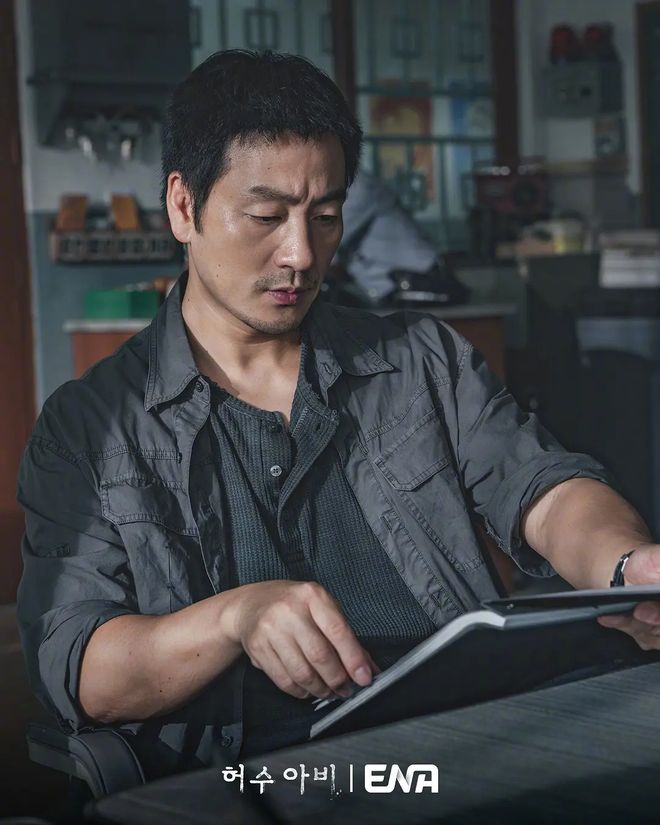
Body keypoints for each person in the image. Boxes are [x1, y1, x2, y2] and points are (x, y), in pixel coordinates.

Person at [16, 50, 660, 779]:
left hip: (470, 731)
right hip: (269, 776)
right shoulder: (89, 427)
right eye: (266, 217)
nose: (300, 254)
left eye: (325, 217)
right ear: (183, 206)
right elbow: (78, 663)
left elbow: (544, 486)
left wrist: (624, 561)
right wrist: (233, 618)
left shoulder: (420, 360)